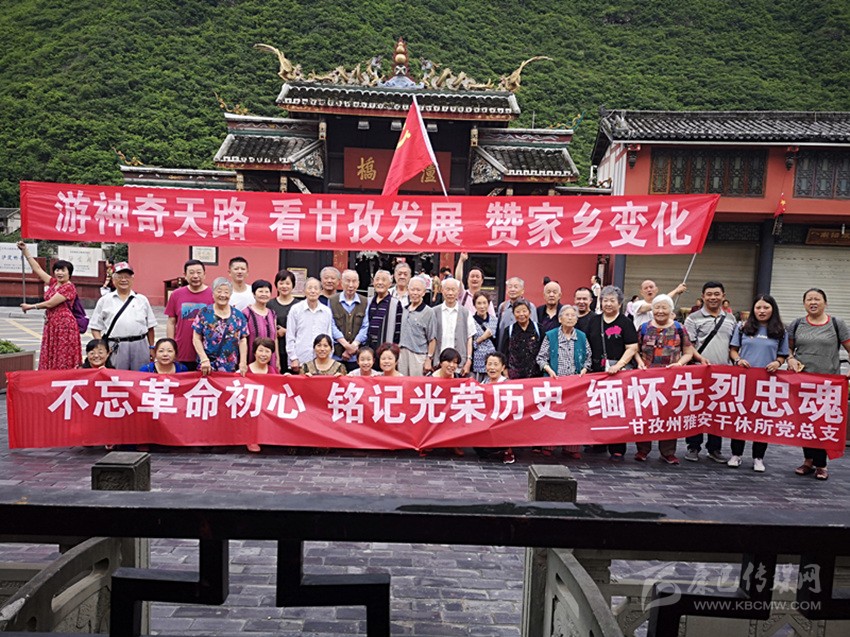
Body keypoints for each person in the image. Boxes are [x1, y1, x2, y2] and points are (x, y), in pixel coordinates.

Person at [786, 288, 850, 481]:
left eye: (817, 299)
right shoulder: (797, 324)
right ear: (804, 303)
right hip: (803, 383)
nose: (813, 302)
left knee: (821, 423)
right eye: (809, 299)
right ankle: (808, 461)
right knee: (805, 423)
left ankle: (821, 465)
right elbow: (788, 348)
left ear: (825, 303)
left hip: (828, 385)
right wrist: (790, 359)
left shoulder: (836, 324)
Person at [727, 294, 789, 472]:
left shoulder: (781, 331)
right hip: (744, 381)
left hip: (767, 382)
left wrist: (777, 363)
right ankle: (736, 454)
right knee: (740, 417)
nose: (762, 311)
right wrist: (738, 360)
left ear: (773, 309)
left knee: (762, 421)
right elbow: (733, 350)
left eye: (766, 308)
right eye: (758, 308)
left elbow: (783, 355)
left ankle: (758, 457)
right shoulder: (743, 327)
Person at [634, 294, 695, 464]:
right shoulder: (644, 328)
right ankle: (642, 450)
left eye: (664, 307)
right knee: (646, 414)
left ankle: (668, 452)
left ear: (671, 310)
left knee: (669, 415)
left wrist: (679, 364)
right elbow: (635, 349)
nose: (660, 311)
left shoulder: (679, 328)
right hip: (647, 379)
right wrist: (639, 363)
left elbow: (688, 352)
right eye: (657, 307)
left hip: (671, 380)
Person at [585, 286, 639, 460]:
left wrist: (620, 365)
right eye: (605, 300)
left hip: (618, 372)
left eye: (612, 301)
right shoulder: (594, 321)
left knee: (617, 410)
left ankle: (617, 447)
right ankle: (598, 443)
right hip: (597, 371)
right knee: (598, 408)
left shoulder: (625, 322)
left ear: (620, 303)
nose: (608, 304)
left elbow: (632, 347)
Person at [683, 281, 734, 464]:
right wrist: (700, 359)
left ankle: (714, 448)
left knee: (717, 412)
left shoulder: (731, 319)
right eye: (709, 294)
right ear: (703, 296)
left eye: (717, 294)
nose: (713, 297)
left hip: (722, 373)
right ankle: (693, 446)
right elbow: (688, 345)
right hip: (698, 371)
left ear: (723, 296)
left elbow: (733, 346)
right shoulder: (693, 318)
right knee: (695, 409)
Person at [536, 305, 592, 460]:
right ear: (560, 319)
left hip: (575, 384)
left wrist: (584, 370)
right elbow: (541, 358)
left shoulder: (581, 337)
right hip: (555, 381)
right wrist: (549, 370)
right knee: (553, 414)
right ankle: (549, 445)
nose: (570, 318)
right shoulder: (551, 335)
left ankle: (571, 447)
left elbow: (588, 358)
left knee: (574, 416)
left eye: (573, 315)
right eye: (566, 315)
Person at [90, 261, 158, 371]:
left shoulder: (142, 299)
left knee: (140, 376)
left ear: (132, 279)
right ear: (113, 279)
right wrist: (103, 347)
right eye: (120, 277)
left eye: (127, 276)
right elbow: (95, 328)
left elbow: (150, 327)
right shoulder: (105, 300)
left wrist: (151, 347)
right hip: (115, 346)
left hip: (140, 345)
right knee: (117, 377)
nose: (123, 280)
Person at [286, 278, 345, 373]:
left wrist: (329, 357)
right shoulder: (295, 309)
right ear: (304, 291)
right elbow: (290, 336)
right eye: (309, 288)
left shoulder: (326, 311)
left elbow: (329, 335)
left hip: (322, 362)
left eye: (316, 288)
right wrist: (293, 357)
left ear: (321, 291)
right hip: (300, 359)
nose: (313, 291)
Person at [192, 277, 248, 376]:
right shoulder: (204, 313)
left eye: (226, 292)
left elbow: (243, 339)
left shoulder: (238, 316)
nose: (223, 295)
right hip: (207, 365)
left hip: (230, 366)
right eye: (219, 291)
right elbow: (196, 338)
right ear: (213, 294)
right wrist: (203, 359)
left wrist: (243, 362)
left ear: (230, 294)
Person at [165, 259, 214, 371]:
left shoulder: (213, 294)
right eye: (191, 273)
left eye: (199, 272)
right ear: (185, 275)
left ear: (204, 274)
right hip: (182, 349)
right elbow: (171, 322)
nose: (195, 276)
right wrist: (170, 346)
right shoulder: (176, 294)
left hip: (207, 352)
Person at [473, 352, 515, 464]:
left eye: (496, 364)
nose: (492, 368)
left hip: (502, 420)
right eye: (489, 364)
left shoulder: (507, 384)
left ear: (503, 367)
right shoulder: (483, 383)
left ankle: (507, 450)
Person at [432, 278, 475, 376]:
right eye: (447, 289)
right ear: (442, 290)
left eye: (453, 289)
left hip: (459, 364)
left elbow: (469, 337)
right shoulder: (434, 311)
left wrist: (469, 360)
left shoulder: (465, 313)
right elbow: (431, 337)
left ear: (458, 291)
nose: (450, 293)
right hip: (438, 362)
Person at [329, 269, 369, 371]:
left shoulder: (365, 301)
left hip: (356, 356)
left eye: (354, 281)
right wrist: (346, 345)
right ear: (341, 282)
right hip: (337, 355)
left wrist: (353, 346)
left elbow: (365, 326)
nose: (351, 285)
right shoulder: (332, 300)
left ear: (358, 283)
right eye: (347, 281)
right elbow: (331, 325)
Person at [398, 277, 437, 375]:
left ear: (424, 292)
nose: (415, 293)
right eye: (412, 289)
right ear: (408, 290)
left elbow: (432, 339)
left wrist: (429, 359)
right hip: (402, 353)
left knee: (416, 383)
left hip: (418, 355)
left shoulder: (429, 312)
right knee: (402, 382)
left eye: (418, 290)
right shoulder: (403, 310)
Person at [243, 280, 279, 369]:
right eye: (260, 291)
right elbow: (243, 339)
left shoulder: (272, 314)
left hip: (270, 359)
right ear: (253, 294)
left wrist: (277, 359)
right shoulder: (246, 313)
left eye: (267, 292)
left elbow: (275, 338)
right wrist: (243, 361)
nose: (264, 294)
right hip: (251, 359)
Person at [502, 300, 542, 380]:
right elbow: (504, 352)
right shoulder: (509, 330)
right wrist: (505, 370)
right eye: (518, 312)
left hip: (535, 375)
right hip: (514, 375)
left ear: (529, 312)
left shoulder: (539, 329)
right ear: (513, 314)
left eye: (524, 311)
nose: (521, 314)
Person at [495, 277, 537, 352]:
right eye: (510, 287)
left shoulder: (530, 307)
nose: (512, 289)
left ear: (522, 291)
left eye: (516, 287)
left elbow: (534, 329)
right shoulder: (502, 306)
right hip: (504, 349)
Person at [267, 269, 297, 372]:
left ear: (293, 285)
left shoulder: (299, 305)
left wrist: (286, 331)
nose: (284, 286)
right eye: (281, 283)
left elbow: (303, 328)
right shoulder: (269, 304)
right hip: (274, 349)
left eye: (288, 283)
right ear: (276, 285)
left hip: (294, 350)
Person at [365, 270, 403, 350]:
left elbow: (398, 331)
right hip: (367, 347)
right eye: (377, 279)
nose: (380, 282)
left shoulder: (395, 303)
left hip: (386, 348)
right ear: (373, 282)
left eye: (383, 280)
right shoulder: (368, 301)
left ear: (390, 284)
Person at [471, 292, 498, 382]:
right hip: (477, 363)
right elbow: (469, 344)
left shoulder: (495, 320)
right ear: (474, 305)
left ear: (488, 304)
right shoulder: (470, 321)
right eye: (479, 303)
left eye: (484, 303)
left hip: (492, 363)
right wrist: (482, 338)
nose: (482, 306)